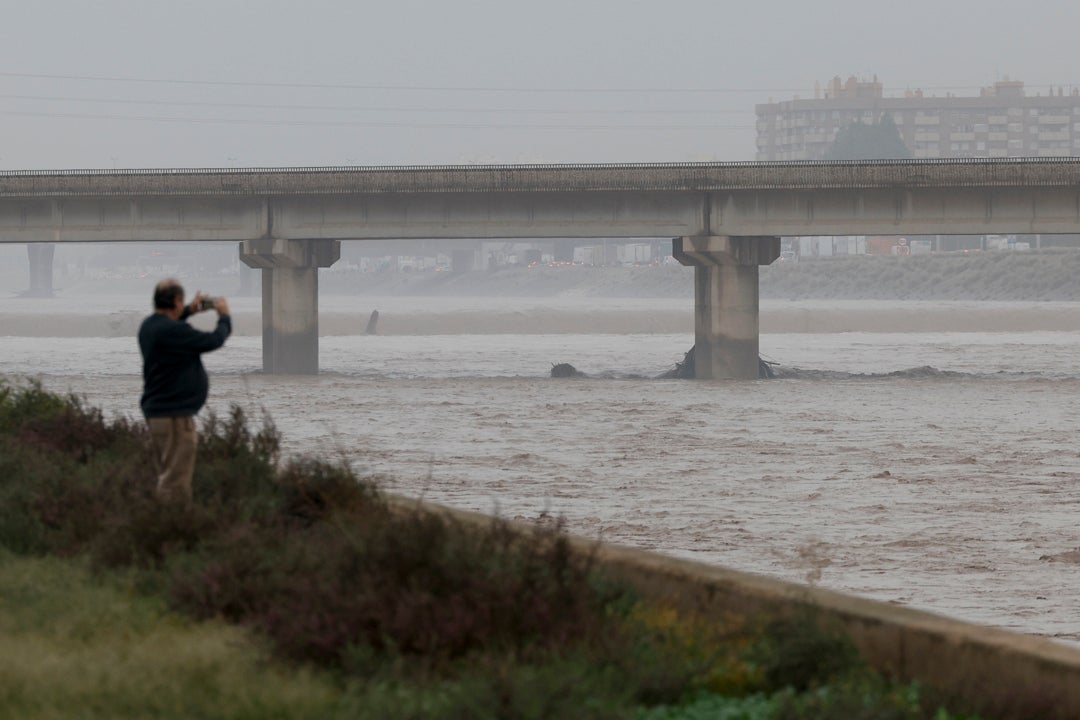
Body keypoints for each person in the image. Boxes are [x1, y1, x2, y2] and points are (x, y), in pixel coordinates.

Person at [138, 278, 231, 504]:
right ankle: (174, 531)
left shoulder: (149, 326)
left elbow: (170, 325)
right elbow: (213, 340)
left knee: (165, 474)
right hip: (175, 418)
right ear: (177, 300)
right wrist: (224, 317)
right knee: (176, 482)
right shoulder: (175, 331)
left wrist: (189, 310)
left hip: (157, 413)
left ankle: (158, 526)